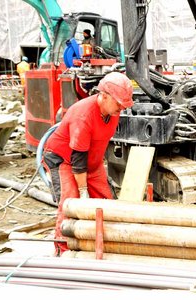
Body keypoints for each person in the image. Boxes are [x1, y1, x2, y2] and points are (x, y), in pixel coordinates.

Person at [42, 72, 134, 255]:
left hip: (91, 161)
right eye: (119, 104)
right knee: (71, 204)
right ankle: (63, 249)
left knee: (106, 202)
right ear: (104, 96)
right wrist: (83, 191)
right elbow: (78, 159)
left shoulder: (112, 110)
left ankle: (102, 242)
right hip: (66, 160)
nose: (122, 108)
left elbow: (99, 142)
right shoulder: (84, 115)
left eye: (124, 105)